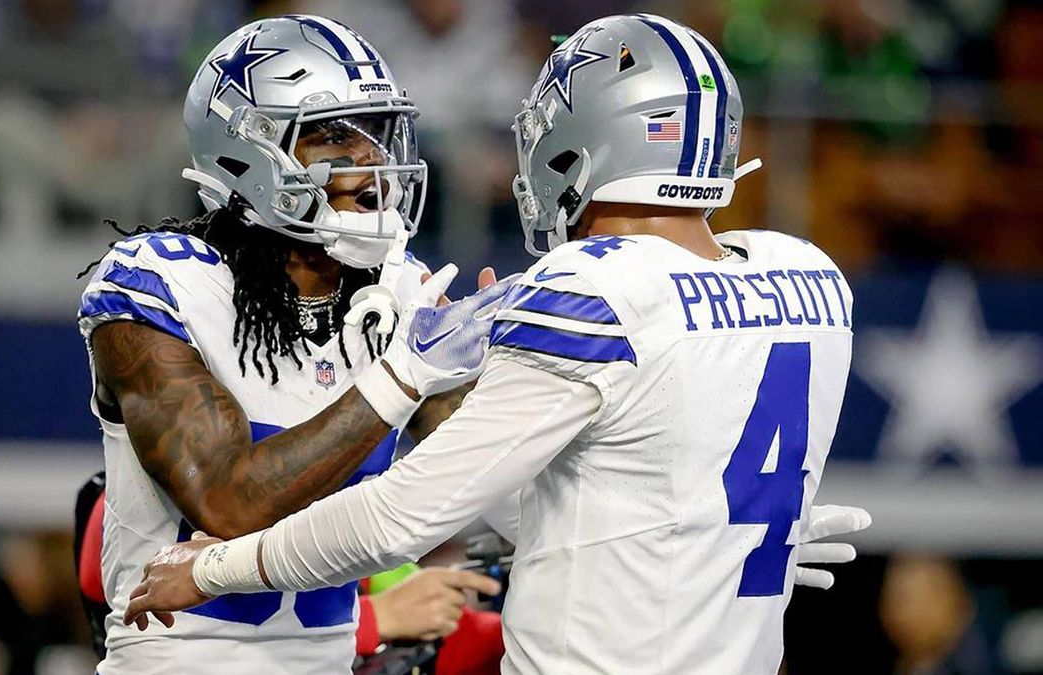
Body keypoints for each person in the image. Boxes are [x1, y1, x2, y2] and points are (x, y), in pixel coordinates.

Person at [125, 13, 872, 674]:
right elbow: (618, 470)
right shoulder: (806, 275)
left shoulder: (591, 289)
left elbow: (405, 514)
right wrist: (712, 534)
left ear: (591, 146)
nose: (368, 168)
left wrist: (216, 567)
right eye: (333, 141)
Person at [77, 15, 506, 674]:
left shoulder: (394, 286)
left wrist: (507, 374)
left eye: (375, 132)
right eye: (335, 135)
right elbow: (228, 500)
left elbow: (484, 487)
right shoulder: (159, 280)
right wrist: (400, 376)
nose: (369, 160)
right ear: (248, 151)